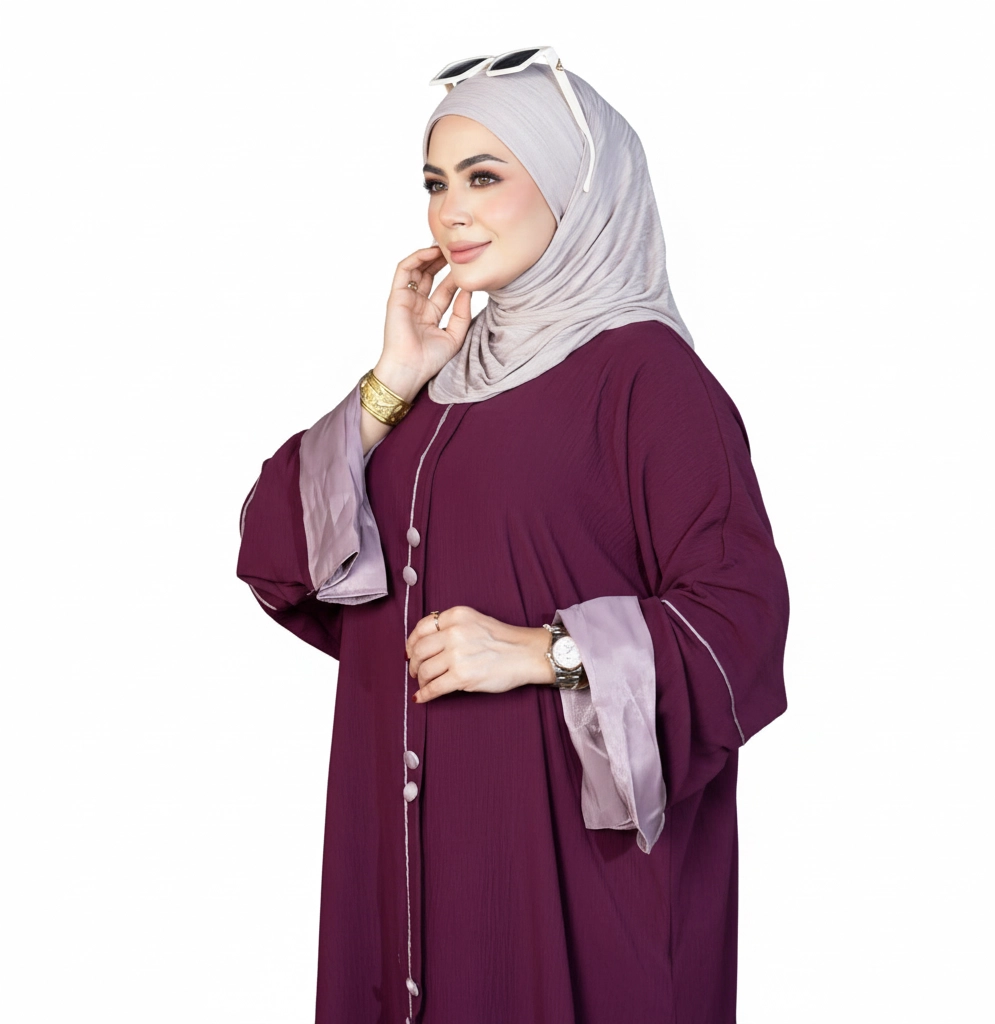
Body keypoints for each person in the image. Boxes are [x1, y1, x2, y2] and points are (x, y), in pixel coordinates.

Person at [237, 48, 789, 1024]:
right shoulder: (436, 379)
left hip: (564, 872)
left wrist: (545, 652)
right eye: (434, 184)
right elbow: (277, 552)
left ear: (575, 188)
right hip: (407, 859)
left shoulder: (650, 378)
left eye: (484, 177)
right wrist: (390, 381)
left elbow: (741, 624)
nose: (450, 212)